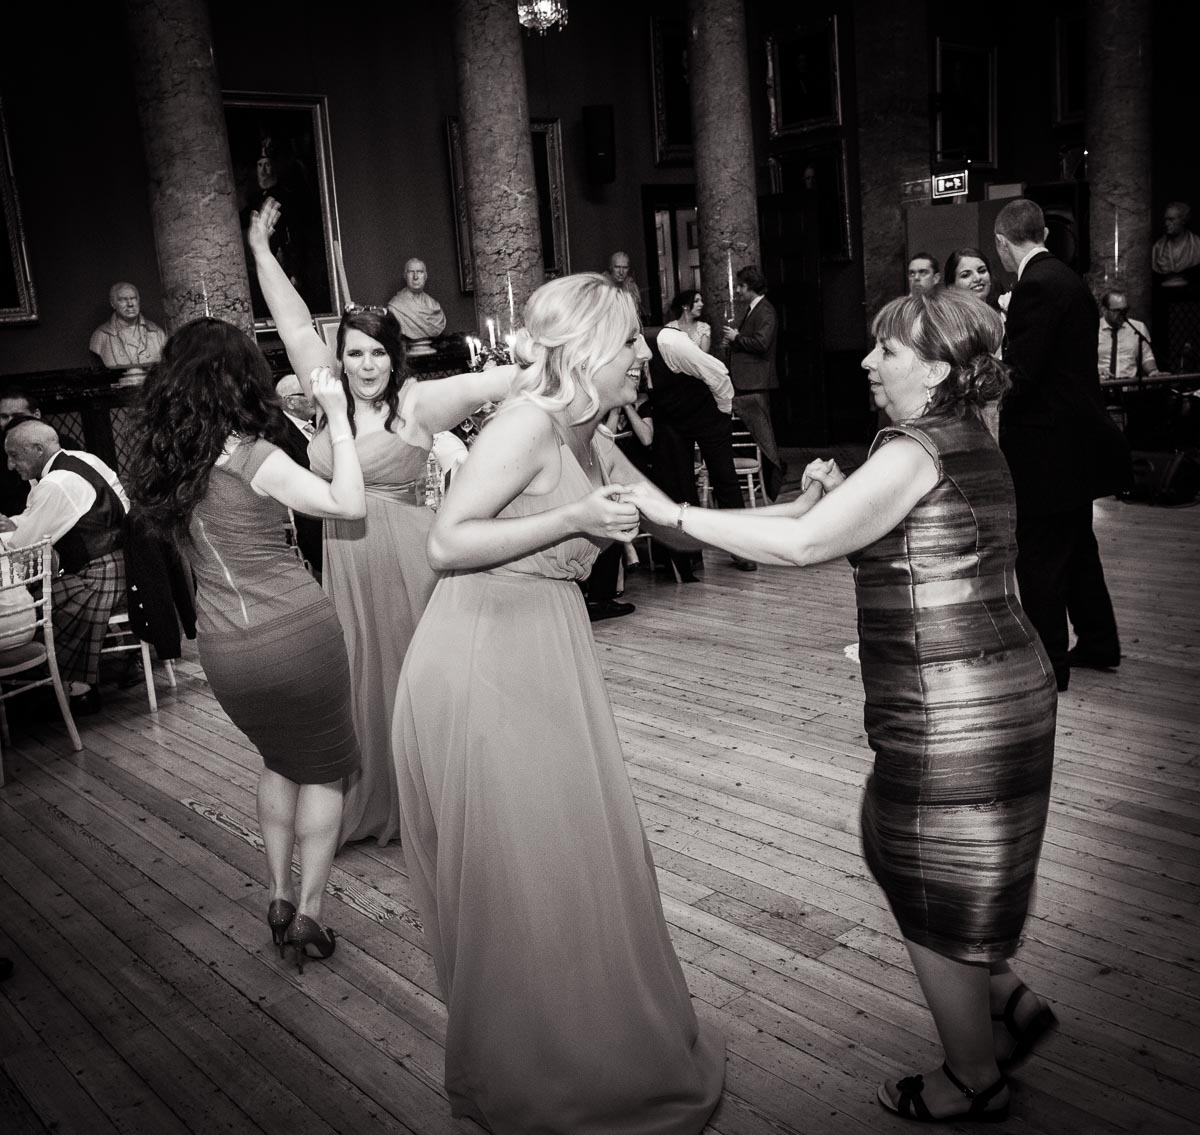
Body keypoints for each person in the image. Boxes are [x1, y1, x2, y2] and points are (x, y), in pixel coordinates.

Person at [626, 288, 1058, 1123]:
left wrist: (671, 511)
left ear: (937, 370)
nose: (866, 360)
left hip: (953, 703)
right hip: (1001, 685)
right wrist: (830, 494)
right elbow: (896, 529)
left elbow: (804, 545)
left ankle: (973, 1076)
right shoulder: (967, 435)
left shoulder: (913, 447)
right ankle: (1004, 998)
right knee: (902, 846)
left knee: (924, 875)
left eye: (887, 350)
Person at [392, 272, 724, 1134]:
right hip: (481, 655)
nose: (642, 353)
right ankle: (537, 1074)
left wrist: (804, 517)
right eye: (629, 340)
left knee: (568, 858)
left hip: (544, 646)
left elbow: (667, 517)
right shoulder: (528, 426)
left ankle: (585, 1051)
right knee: (525, 873)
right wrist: (573, 518)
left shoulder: (590, 432)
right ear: (586, 350)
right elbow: (447, 543)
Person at [249, 197, 512, 850]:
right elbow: (293, 323)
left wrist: (557, 360)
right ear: (340, 357)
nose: (366, 365)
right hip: (347, 561)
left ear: (395, 357)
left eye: (377, 354)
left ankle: (443, 799)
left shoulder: (417, 405)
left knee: (419, 680)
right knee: (362, 684)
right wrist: (260, 251)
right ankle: (378, 797)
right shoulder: (328, 399)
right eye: (355, 353)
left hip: (409, 561)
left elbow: (502, 382)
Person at [128, 318, 365, 971]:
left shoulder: (168, 470)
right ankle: (310, 911)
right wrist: (338, 417)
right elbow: (348, 504)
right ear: (242, 379)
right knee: (324, 769)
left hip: (225, 650)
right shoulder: (256, 458)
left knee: (278, 761)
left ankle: (279, 895)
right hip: (296, 635)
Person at [994, 198, 1124, 688]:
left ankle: (1048, 662)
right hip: (1077, 443)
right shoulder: (1068, 278)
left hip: (1046, 450)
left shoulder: (1035, 286)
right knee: (1078, 550)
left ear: (1002, 244)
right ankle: (1099, 641)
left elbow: (1022, 374)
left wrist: (988, 373)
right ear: (1044, 233)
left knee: (1041, 557)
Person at [0, 420, 129, 714]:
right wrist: (16, 525)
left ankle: (70, 690)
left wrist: (13, 534)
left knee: (31, 608)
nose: (10, 465)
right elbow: (50, 518)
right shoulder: (83, 459)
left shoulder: (55, 484)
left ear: (38, 449)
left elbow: (24, 550)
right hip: (124, 565)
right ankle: (76, 686)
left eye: (14, 456)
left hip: (99, 575)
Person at [649, 315, 755, 575]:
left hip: (707, 413)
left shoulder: (670, 343)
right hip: (671, 417)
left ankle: (741, 548)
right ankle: (689, 553)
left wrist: (723, 412)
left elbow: (718, 373)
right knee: (679, 481)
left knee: (724, 478)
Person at [722, 266, 785, 500]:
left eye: (741, 286)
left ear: (751, 286)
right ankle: (759, 483)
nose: (738, 290)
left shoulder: (765, 310)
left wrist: (736, 338)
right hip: (748, 381)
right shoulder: (753, 309)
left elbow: (761, 343)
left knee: (763, 436)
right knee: (754, 437)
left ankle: (770, 482)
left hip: (755, 382)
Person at [274, 374, 324, 577]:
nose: (314, 399)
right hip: (314, 524)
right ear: (290, 402)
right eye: (307, 394)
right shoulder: (279, 434)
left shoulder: (316, 424)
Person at [88, 282, 167, 369]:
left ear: (138, 301)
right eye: (123, 300)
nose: (130, 304)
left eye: (133, 298)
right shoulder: (101, 336)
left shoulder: (157, 334)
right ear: (113, 304)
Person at [1098, 290, 1161, 379]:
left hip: (1128, 384)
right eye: (1116, 310)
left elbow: (1146, 356)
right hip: (1101, 384)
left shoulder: (1138, 327)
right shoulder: (1093, 329)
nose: (1122, 314)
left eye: (1125, 310)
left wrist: (1152, 371)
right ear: (1104, 310)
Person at [386, 258, 447, 348]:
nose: (415, 277)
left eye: (419, 272)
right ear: (405, 276)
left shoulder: (434, 306)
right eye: (411, 272)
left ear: (425, 276)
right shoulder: (395, 307)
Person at [1151, 201, 1200, 286]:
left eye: (1171, 219)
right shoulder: (1157, 247)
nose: (1166, 224)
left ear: (1183, 220)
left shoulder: (1197, 244)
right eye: (1165, 219)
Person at [666, 288, 712, 353]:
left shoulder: (704, 328)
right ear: (685, 306)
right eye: (696, 301)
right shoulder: (670, 328)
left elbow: (704, 356)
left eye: (701, 301)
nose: (701, 304)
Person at [604, 250, 645, 316]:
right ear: (610, 267)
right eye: (617, 267)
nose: (621, 272)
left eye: (625, 267)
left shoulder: (632, 287)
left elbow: (637, 312)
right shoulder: (602, 287)